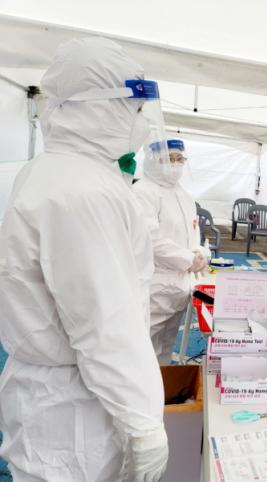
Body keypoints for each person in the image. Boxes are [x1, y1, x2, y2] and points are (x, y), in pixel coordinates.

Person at [0, 37, 168, 481]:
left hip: (64, 395)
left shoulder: (57, 171)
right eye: (133, 108)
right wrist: (143, 422)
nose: (140, 121)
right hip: (70, 412)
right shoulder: (82, 191)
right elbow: (104, 321)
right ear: (98, 107)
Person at [134, 139, 210, 363]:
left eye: (180, 159)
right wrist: (189, 259)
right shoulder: (143, 192)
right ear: (153, 160)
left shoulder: (183, 195)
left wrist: (199, 253)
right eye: (169, 159)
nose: (175, 165)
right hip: (154, 286)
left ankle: (163, 383)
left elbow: (192, 234)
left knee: (165, 347)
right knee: (143, 348)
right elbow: (150, 240)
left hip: (179, 286)